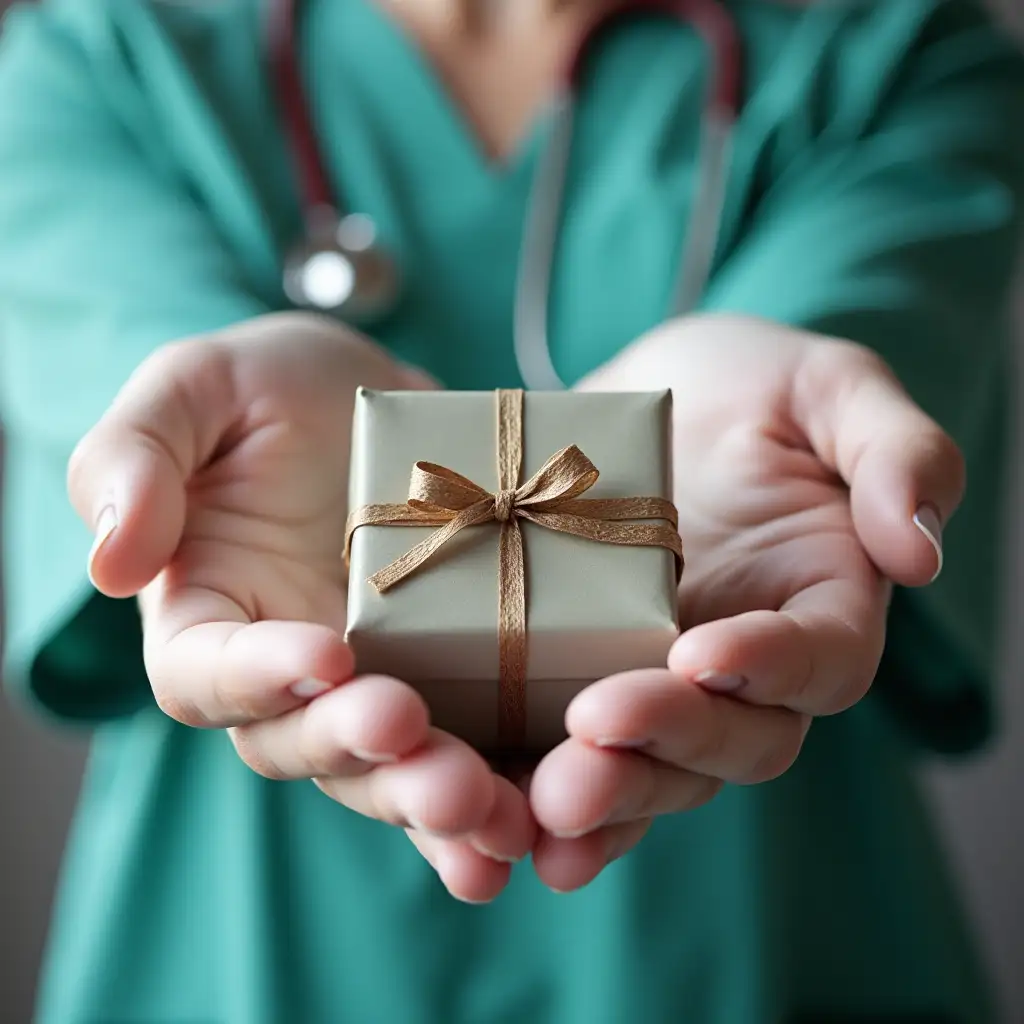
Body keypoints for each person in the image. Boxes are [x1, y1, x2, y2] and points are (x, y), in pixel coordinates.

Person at [1, 0, 1022, 1021]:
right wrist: (210, 426)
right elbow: (138, 392)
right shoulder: (103, 63)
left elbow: (856, 328)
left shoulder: (895, 58)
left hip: (745, 927)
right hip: (240, 939)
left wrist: (787, 395)